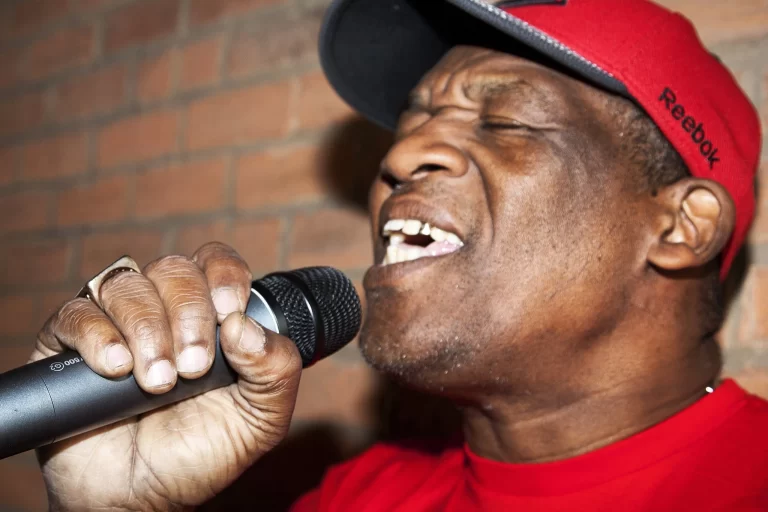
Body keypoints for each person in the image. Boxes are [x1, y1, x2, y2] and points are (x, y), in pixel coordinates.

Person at [29, 0, 767, 510]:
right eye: (414, 120)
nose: (403, 153)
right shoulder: (358, 496)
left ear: (680, 227)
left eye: (506, 118)